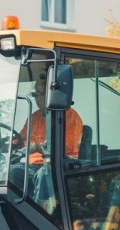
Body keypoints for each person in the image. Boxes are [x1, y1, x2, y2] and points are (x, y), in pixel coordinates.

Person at [14, 76, 83, 212]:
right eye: (35, 94)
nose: (37, 98)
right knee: (13, 172)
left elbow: (67, 146)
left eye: (42, 93)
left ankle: (40, 214)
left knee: (44, 174)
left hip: (59, 164)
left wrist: (38, 146)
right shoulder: (34, 117)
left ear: (53, 94)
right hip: (32, 164)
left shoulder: (69, 116)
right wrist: (9, 142)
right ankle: (15, 213)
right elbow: (20, 139)